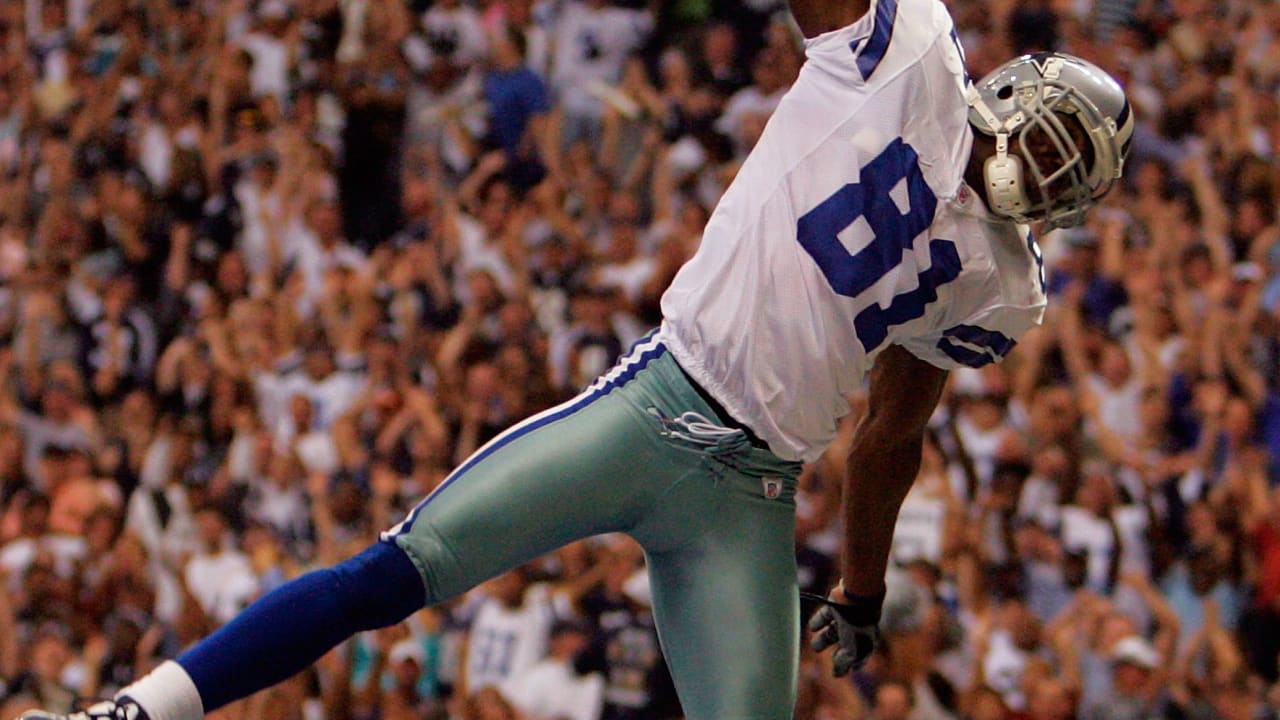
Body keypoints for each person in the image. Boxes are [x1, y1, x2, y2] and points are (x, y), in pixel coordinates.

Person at [18, 0, 1133, 718]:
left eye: (1059, 167)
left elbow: (894, 427)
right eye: (1042, 137)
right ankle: (134, 715)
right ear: (1005, 93)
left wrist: (861, 583)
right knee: (397, 573)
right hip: (651, 408)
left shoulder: (1000, 274)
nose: (1034, 169)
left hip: (752, 496)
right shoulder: (906, 54)